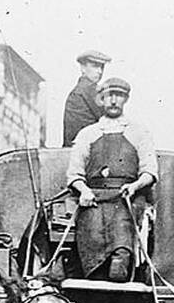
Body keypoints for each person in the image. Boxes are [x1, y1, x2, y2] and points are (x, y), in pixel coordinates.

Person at [66, 77, 158, 282]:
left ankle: (121, 261)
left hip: (126, 198)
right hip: (93, 198)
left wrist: (135, 186)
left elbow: (150, 171)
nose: (114, 101)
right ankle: (94, 273)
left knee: (120, 252)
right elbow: (74, 174)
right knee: (93, 260)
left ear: (126, 99)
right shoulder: (88, 134)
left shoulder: (139, 132)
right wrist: (84, 191)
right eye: (109, 96)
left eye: (119, 96)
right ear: (101, 99)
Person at [62, 49, 109, 146]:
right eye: (95, 66)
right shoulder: (89, 90)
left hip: (76, 148)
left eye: (102, 67)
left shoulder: (79, 90)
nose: (99, 71)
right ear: (83, 68)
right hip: (87, 149)